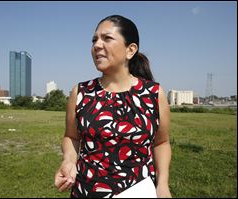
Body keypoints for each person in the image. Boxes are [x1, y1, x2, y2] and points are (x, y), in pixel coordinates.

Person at [54, 14, 172, 198]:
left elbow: (161, 143)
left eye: (107, 38)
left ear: (130, 50)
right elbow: (71, 136)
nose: (96, 45)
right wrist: (69, 160)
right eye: (94, 40)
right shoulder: (81, 92)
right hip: (87, 191)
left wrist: (163, 184)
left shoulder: (154, 93)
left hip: (139, 191)